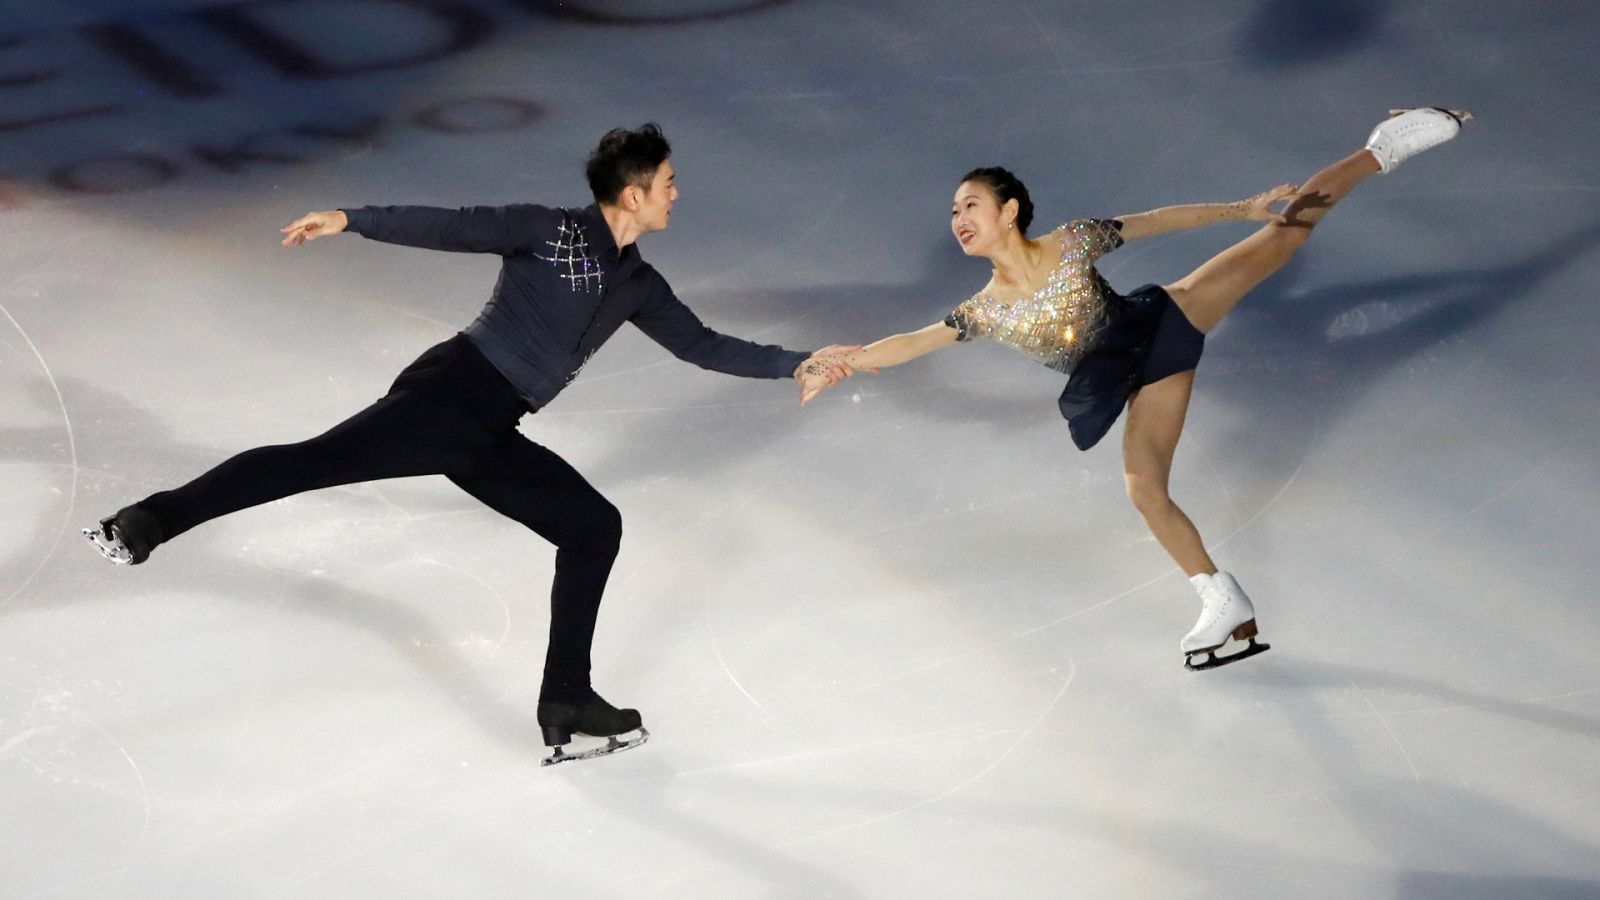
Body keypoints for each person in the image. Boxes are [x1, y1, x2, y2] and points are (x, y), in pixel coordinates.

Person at [85, 123, 855, 764]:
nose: (678, 193)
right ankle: (146, 522)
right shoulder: (547, 231)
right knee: (309, 463)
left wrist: (796, 364)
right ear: (634, 193)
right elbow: (448, 225)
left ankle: (566, 698)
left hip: (492, 425)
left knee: (593, 527)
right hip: (450, 392)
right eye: (669, 182)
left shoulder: (638, 285)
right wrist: (351, 218)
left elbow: (700, 343)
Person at [800, 108, 1471, 670]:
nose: (958, 218)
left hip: (1168, 319)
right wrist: (845, 360)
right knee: (1144, 489)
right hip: (1141, 377)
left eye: (970, 204)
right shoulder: (986, 311)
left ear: (1008, 210)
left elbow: (1153, 221)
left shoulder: (1069, 244)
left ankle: (1383, 147)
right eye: (952, 211)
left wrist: (1237, 209)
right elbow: (914, 342)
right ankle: (1221, 598)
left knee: (1282, 235)